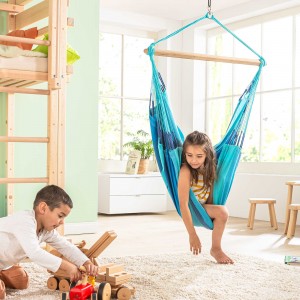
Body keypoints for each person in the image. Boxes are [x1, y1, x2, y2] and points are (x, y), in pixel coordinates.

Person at [0, 185, 99, 299]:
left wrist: (85, 262)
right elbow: (35, 253)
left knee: (21, 281)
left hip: (4, 264)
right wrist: (68, 267)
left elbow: (65, 246)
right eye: (60, 216)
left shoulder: (46, 230)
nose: (62, 222)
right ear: (43, 208)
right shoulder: (24, 221)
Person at [178, 131, 233, 264]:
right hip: (191, 209)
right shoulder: (186, 170)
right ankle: (217, 248)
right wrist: (192, 234)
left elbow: (211, 196)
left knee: (222, 213)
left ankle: (215, 248)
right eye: (189, 155)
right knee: (223, 211)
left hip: (203, 209)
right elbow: (183, 203)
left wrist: (208, 219)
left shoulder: (211, 169)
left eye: (199, 156)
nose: (193, 160)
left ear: (207, 155)